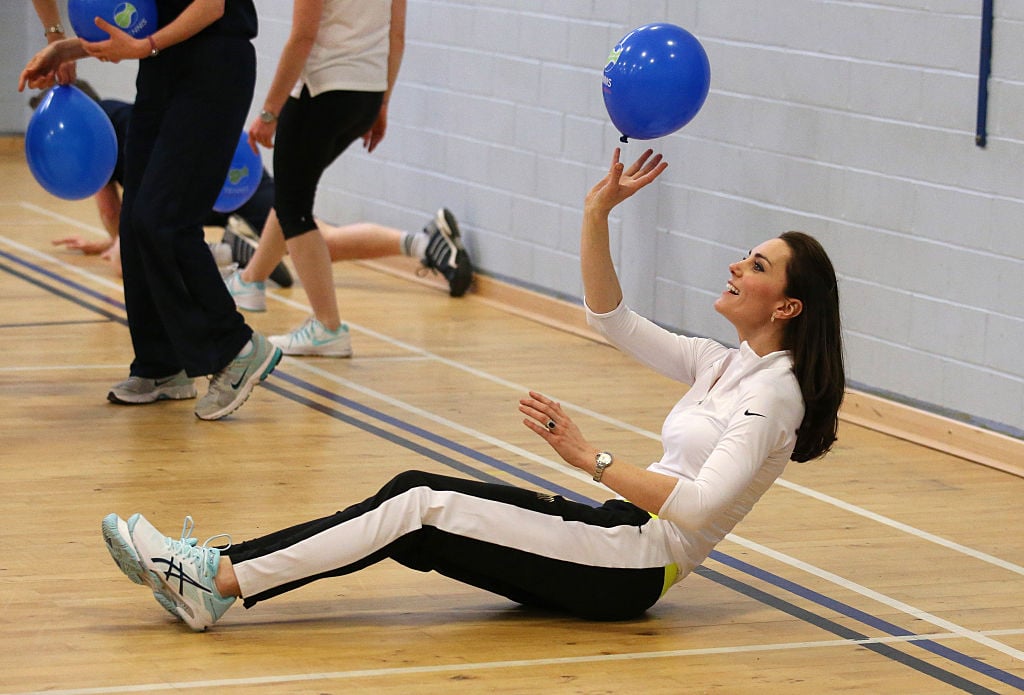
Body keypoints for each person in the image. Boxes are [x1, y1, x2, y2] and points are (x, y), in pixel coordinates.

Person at [100, 148, 847, 631]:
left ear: (787, 306)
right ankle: (217, 574)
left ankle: (215, 576)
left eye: (756, 266)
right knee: (415, 507)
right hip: (616, 534)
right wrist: (596, 214)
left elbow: (703, 505)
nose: (737, 269)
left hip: (636, 561)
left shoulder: (778, 393)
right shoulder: (726, 362)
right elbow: (610, 318)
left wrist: (588, 454)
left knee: (417, 500)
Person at [20, 0, 282, 421]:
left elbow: (210, 7)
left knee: (163, 219)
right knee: (136, 219)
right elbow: (141, 16)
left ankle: (236, 348)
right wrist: (63, 44)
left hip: (213, 63)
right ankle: (161, 365)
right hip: (161, 67)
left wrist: (146, 46)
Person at [223, 0, 471, 360]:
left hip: (321, 91)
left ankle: (327, 326)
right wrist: (382, 103)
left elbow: (302, 38)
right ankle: (251, 281)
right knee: (295, 192)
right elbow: (396, 36)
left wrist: (269, 111)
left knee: (295, 210)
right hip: (365, 94)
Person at [30, 84, 293, 287]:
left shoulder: (94, 138)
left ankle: (229, 252)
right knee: (303, 236)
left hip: (191, 193)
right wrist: (107, 244)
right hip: (236, 174)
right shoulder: (118, 115)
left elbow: (111, 212)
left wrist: (118, 245)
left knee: (129, 263)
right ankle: (243, 248)